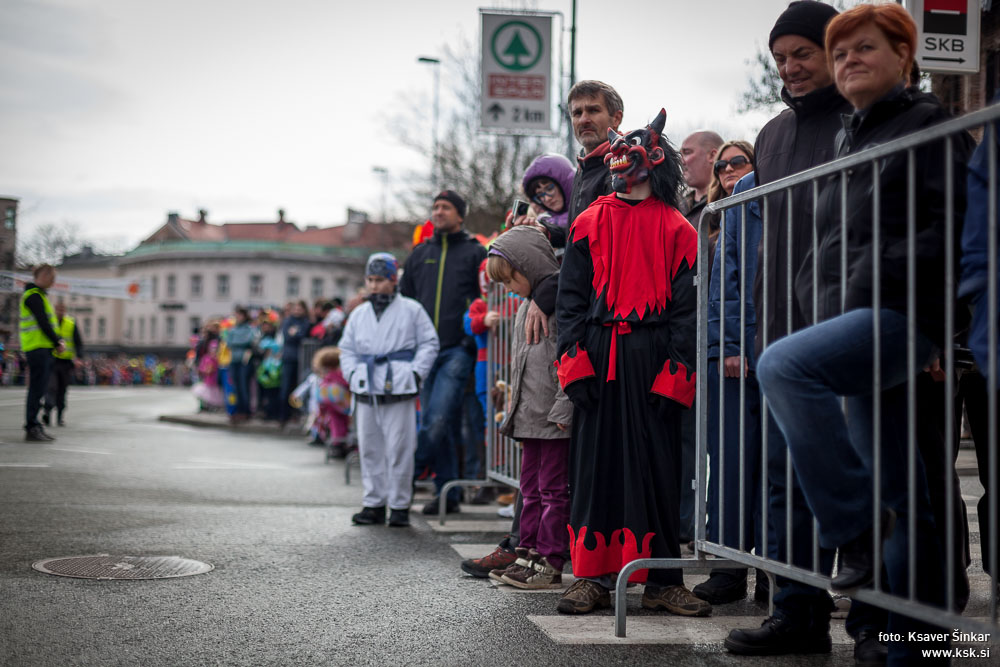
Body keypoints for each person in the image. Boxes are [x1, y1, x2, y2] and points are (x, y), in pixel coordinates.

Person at [754, 4, 971, 664]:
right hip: (855, 318)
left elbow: (956, 229)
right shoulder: (851, 135)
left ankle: (854, 524)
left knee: (783, 367)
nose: (849, 60)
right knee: (904, 492)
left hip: (902, 317)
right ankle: (917, 641)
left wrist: (945, 332)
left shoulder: (933, 124)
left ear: (904, 55)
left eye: (863, 48)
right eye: (840, 51)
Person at [723, 1, 864, 658]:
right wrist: (758, 333)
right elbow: (766, 241)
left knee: (861, 470)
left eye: (802, 53)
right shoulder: (774, 133)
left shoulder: (862, 117)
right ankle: (797, 611)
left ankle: (880, 622)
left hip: (851, 327)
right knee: (784, 477)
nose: (791, 67)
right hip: (780, 330)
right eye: (781, 57)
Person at [555, 109, 708, 617]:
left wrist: (676, 375)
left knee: (660, 470)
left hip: (653, 356)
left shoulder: (679, 229)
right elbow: (570, 303)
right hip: (599, 356)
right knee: (594, 467)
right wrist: (574, 365)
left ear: (654, 159)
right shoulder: (588, 221)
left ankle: (663, 580)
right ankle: (591, 578)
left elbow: (688, 315)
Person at [479, 226, 573, 589]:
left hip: (552, 420)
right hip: (530, 419)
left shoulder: (555, 309)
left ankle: (550, 559)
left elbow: (567, 361)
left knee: (552, 492)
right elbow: (522, 363)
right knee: (530, 490)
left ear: (528, 267)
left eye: (509, 279)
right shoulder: (525, 310)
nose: (507, 288)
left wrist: (564, 409)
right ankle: (528, 551)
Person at [696, 149, 764, 607]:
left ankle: (780, 572)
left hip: (776, 341)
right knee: (730, 466)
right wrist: (730, 345)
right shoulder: (715, 216)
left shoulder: (764, 194)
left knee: (776, 470)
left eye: (737, 161)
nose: (728, 170)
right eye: (721, 165)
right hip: (735, 351)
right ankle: (728, 568)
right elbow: (726, 282)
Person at [400, 190, 486, 514]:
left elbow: (484, 296)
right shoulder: (420, 254)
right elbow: (405, 301)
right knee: (443, 422)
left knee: (435, 421)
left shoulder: (475, 252)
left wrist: (467, 341)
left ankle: (405, 475)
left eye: (445, 207)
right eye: (435, 207)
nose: (438, 212)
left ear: (460, 215)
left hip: (456, 350)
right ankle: (447, 494)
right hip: (424, 351)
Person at [340, 253, 439, 527]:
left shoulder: (412, 309)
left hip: (399, 385)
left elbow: (429, 343)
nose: (374, 285)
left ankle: (398, 505)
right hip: (366, 386)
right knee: (370, 448)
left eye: (380, 280)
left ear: (393, 280)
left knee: (400, 448)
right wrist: (351, 373)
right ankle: (373, 503)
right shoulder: (359, 314)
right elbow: (347, 349)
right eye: (370, 280)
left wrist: (416, 372)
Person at [20, 264, 63, 442]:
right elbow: (43, 322)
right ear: (43, 275)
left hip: (41, 348)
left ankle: (35, 425)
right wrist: (57, 341)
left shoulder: (39, 296)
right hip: (37, 348)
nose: (53, 282)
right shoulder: (34, 296)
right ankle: (31, 426)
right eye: (52, 278)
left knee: (40, 388)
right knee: (37, 389)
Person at [519, 153, 576, 248]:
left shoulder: (586, 209)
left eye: (549, 188)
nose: (547, 198)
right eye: (540, 195)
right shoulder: (542, 222)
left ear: (565, 183)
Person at [43, 300, 83, 428]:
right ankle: (47, 412)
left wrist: (79, 357)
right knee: (51, 387)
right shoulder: (50, 321)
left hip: (66, 362)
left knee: (62, 390)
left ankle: (60, 416)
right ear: (55, 310)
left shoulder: (71, 323)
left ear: (65, 310)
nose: (60, 312)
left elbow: (78, 342)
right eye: (58, 310)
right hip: (52, 361)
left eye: (62, 310)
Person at [312, 346, 351, 457]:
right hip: (344, 403)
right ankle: (343, 443)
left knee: (335, 422)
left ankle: (337, 442)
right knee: (346, 422)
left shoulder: (326, 377)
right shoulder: (341, 375)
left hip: (329, 404)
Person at [278, 300, 309, 426]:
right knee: (285, 387)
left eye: (299, 308)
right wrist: (295, 334)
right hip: (288, 358)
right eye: (295, 308)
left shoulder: (305, 322)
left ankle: (295, 413)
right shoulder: (287, 321)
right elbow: (288, 336)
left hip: (300, 359)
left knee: (298, 388)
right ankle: (283, 415)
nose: (297, 311)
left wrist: (295, 333)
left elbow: (302, 335)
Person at [224, 307, 256, 423]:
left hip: (245, 361)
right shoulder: (232, 329)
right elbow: (228, 343)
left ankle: (246, 411)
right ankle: (237, 410)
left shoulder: (249, 329)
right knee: (236, 387)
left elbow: (249, 341)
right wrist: (239, 342)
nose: (237, 317)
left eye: (239, 315)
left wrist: (237, 342)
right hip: (234, 361)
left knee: (244, 386)